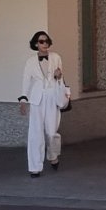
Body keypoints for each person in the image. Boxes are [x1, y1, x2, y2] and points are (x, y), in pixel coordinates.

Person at [18, 30, 70, 178]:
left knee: (52, 132)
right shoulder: (30, 61)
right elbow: (26, 80)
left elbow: (60, 78)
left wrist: (58, 76)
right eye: (41, 41)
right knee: (35, 133)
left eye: (47, 41)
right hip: (37, 99)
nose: (45, 44)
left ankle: (53, 155)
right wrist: (23, 100)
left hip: (53, 98)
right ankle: (35, 167)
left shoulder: (56, 57)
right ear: (36, 44)